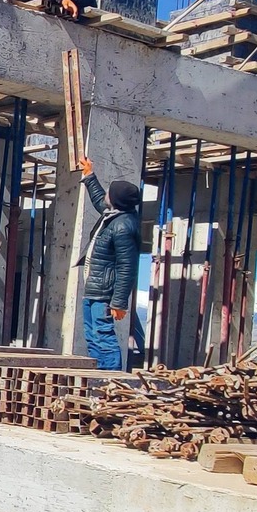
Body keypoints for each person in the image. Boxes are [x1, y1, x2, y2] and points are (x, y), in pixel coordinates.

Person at [76, 155, 140, 369]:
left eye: (110, 193)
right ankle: (98, 380)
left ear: (117, 200)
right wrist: (89, 175)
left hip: (104, 294)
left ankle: (111, 384)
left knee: (104, 339)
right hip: (94, 289)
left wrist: (119, 302)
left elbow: (127, 266)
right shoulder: (113, 215)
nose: (106, 195)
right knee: (93, 338)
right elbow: (98, 199)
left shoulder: (123, 226)